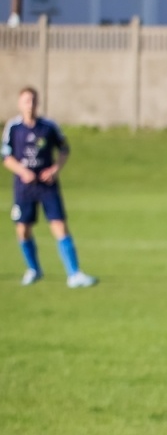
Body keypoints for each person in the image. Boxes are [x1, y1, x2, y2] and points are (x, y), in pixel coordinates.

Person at [3, 86, 96, 288]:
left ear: (38, 103)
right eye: (26, 101)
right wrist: (22, 171)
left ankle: (74, 274)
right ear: (20, 104)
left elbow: (64, 149)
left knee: (59, 225)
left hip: (47, 186)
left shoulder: (48, 127)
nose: (30, 105)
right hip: (24, 187)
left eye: (33, 100)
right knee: (23, 230)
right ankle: (33, 269)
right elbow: (6, 156)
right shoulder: (13, 127)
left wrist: (55, 169)